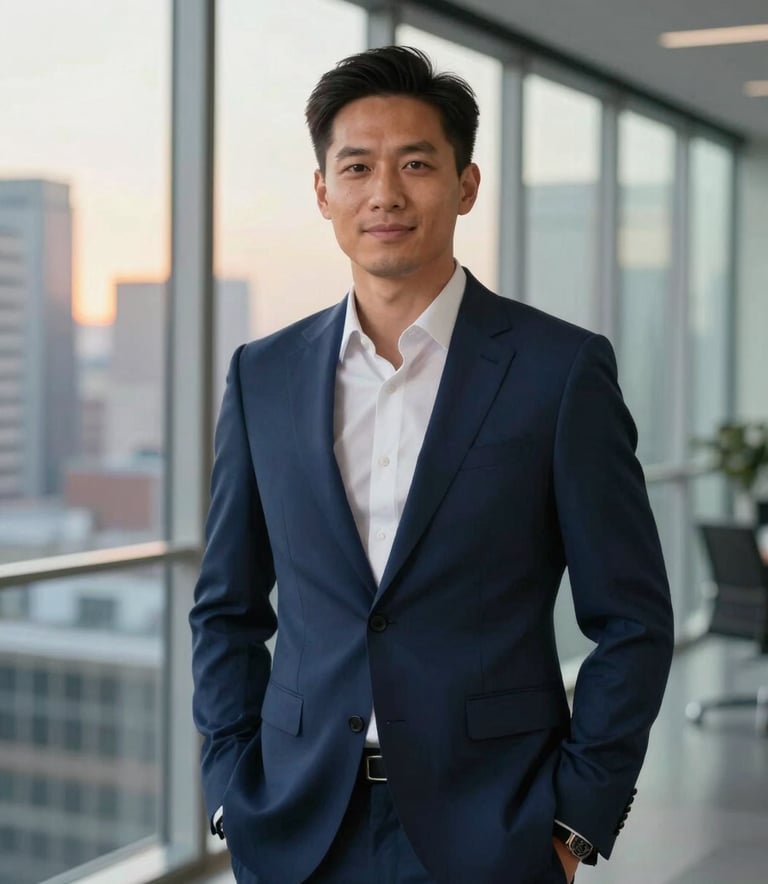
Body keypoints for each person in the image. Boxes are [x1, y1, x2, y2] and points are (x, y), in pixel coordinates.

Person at [190, 45, 674, 884]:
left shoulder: (560, 372)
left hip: (496, 826)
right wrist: (234, 785)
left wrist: (574, 819)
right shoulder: (261, 375)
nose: (386, 193)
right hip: (300, 826)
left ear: (466, 184)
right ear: (323, 192)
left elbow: (631, 619)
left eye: (416, 163)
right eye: (358, 167)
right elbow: (226, 608)